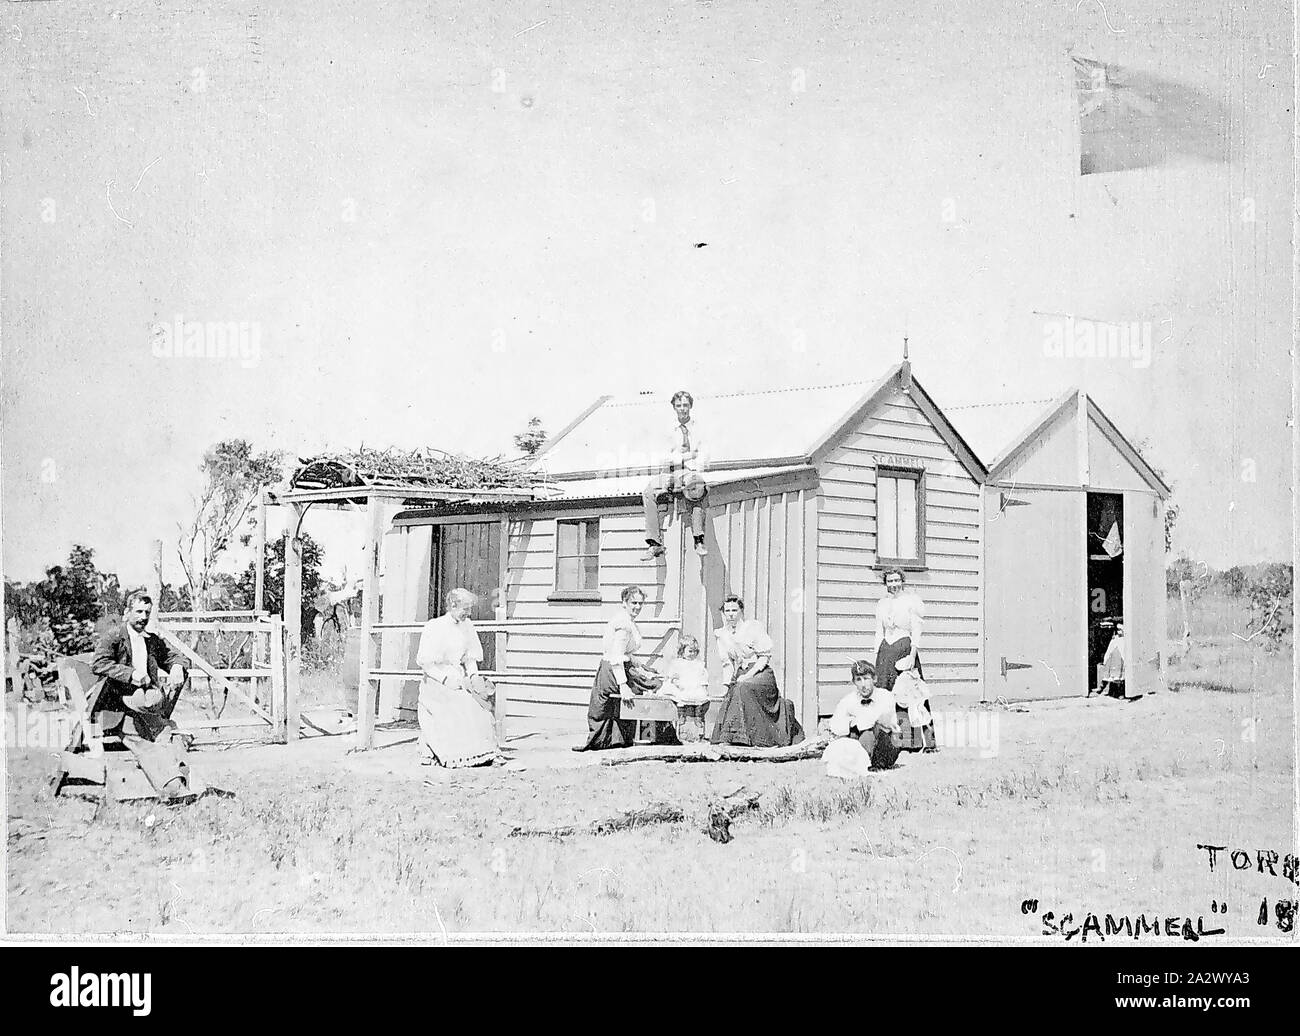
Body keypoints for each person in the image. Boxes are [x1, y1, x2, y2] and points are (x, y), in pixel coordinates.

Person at [415, 588, 498, 768]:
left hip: (459, 678)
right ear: (453, 605)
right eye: (465, 609)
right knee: (457, 704)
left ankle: (480, 752)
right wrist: (446, 680)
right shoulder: (434, 626)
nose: (468, 613)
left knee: (478, 704)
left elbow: (470, 658)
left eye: (469, 609)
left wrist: (474, 677)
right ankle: (454, 754)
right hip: (436, 680)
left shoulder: (468, 626)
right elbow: (427, 664)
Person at [90, 590, 188, 742]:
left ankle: (160, 730)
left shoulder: (152, 640)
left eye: (147, 613)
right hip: (119, 696)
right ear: (127, 612)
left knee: (154, 699)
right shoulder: (114, 636)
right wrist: (131, 674)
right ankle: (163, 730)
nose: (144, 617)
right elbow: (99, 663)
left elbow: (173, 656)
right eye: (139, 611)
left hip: (147, 694)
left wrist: (176, 666)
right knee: (150, 704)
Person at [575, 586, 665, 751]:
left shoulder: (629, 621)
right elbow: (616, 656)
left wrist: (641, 666)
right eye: (633, 603)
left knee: (653, 684)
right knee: (655, 687)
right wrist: (623, 686)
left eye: (640, 603)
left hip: (621, 668)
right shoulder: (623, 624)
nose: (637, 607)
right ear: (624, 602)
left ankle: (638, 737)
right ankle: (650, 736)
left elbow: (626, 653)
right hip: (613, 672)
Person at [710, 596, 803, 747]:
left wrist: (747, 675)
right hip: (741, 674)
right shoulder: (722, 635)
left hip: (761, 674)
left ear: (741, 611)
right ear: (723, 613)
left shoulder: (752, 628)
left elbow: (764, 657)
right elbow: (727, 664)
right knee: (734, 691)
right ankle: (734, 738)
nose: (731, 614)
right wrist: (727, 686)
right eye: (727, 611)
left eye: (735, 610)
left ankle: (751, 739)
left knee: (742, 688)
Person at [642, 390, 710, 561]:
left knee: (697, 488)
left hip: (690, 470)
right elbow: (663, 457)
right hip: (668, 471)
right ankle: (655, 543)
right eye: (679, 406)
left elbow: (704, 454)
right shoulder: (667, 430)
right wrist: (687, 455)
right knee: (649, 492)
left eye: (685, 405)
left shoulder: (699, 428)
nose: (682, 409)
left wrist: (693, 461)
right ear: (674, 407)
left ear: (690, 406)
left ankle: (698, 539)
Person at [874, 567, 936, 751]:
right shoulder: (882, 604)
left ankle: (917, 742)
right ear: (885, 583)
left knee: (911, 694)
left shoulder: (911, 601)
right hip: (886, 651)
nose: (893, 584)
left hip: (904, 648)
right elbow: (879, 631)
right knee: (886, 695)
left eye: (896, 580)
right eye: (889, 581)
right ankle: (891, 742)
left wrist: (912, 656)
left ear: (902, 581)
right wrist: (876, 655)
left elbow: (916, 630)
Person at [824, 660, 902, 770]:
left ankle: (865, 764)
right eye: (858, 680)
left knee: (868, 731)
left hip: (886, 744)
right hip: (863, 742)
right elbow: (835, 724)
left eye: (866, 679)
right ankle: (860, 763)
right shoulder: (848, 700)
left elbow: (883, 720)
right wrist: (851, 722)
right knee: (850, 735)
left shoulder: (885, 696)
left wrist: (858, 720)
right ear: (854, 682)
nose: (863, 685)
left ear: (874, 679)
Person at [659, 634, 710, 742]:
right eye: (690, 651)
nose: (693, 654)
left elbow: (703, 678)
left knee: (702, 697)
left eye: (695, 652)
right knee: (676, 695)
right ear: (682, 651)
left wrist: (704, 687)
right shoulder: (678, 663)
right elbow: (672, 677)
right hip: (682, 686)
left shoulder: (698, 664)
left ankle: (698, 715)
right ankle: (681, 714)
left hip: (694, 686)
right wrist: (677, 683)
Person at [1096, 622, 1127, 699]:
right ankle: (1101, 688)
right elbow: (1110, 649)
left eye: (1120, 630)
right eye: (1118, 630)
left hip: (1120, 661)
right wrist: (1106, 658)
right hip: (1112, 660)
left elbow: (1124, 650)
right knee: (1108, 675)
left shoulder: (1125, 639)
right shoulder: (1115, 639)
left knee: (1119, 677)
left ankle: (1120, 693)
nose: (1119, 632)